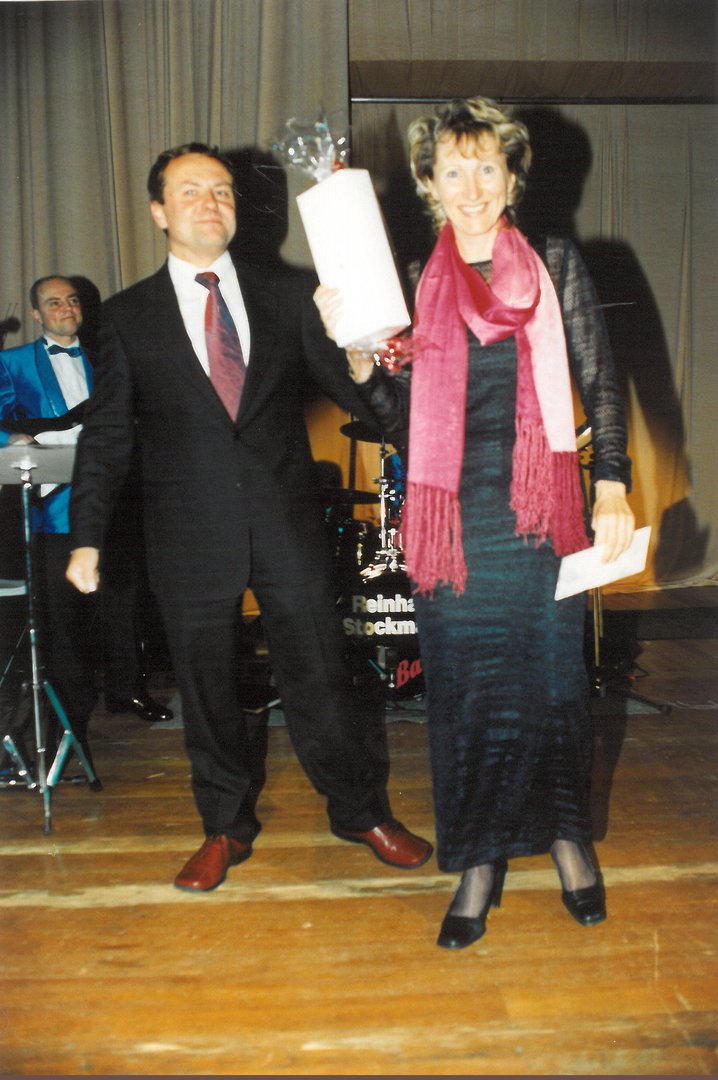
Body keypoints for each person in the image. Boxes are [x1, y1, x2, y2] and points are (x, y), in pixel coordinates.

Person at [65, 142, 432, 892]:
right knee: (205, 689)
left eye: (223, 190)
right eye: (190, 191)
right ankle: (224, 828)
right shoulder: (127, 317)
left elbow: (358, 395)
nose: (211, 202)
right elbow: (106, 435)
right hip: (187, 531)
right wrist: (86, 537)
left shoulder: (291, 295)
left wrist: (368, 354)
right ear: (158, 211)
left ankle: (360, 812)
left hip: (286, 522)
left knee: (322, 676)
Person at [314, 97, 635, 949]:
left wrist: (611, 485)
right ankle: (479, 859)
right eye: (452, 170)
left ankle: (568, 840)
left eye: (486, 166)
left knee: (553, 685)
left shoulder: (555, 262)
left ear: (511, 177)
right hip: (451, 518)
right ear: (429, 183)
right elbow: (396, 420)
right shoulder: (409, 281)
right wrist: (358, 362)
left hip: (541, 507)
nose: (471, 186)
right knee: (465, 692)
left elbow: (601, 382)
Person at [0, 276, 173, 782]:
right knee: (64, 622)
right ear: (37, 314)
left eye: (72, 300)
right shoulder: (12, 362)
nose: (66, 308)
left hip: (112, 501)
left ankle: (127, 689)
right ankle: (66, 723)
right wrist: (16, 437)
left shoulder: (105, 356)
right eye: (54, 302)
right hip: (53, 507)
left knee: (123, 605)